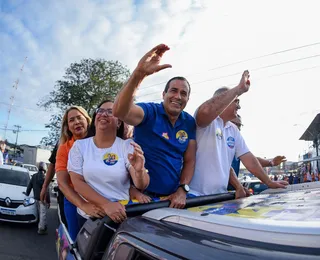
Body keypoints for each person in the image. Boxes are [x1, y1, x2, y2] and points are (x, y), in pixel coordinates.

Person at [113, 44, 196, 209]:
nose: (178, 96)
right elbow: (119, 111)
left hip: (172, 199)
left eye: (183, 93)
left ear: (188, 99)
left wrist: (182, 190)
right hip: (141, 198)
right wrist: (139, 74)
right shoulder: (150, 111)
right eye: (173, 91)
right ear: (163, 95)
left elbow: (189, 160)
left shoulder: (189, 122)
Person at [189, 73, 288, 197]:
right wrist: (238, 90)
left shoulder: (233, 129)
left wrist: (269, 182)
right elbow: (205, 111)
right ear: (224, 100)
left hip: (219, 196)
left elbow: (249, 159)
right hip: (195, 196)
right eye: (236, 101)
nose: (239, 106)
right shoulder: (206, 122)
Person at [68, 100, 150, 226]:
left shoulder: (127, 146)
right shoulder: (80, 146)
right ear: (95, 118)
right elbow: (77, 182)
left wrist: (139, 171)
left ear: (119, 122)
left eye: (111, 112)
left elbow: (141, 185)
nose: (104, 114)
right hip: (90, 218)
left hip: (121, 216)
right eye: (100, 111)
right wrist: (106, 204)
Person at [56, 106, 104, 241]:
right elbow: (62, 183)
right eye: (71, 120)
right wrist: (83, 205)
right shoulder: (64, 148)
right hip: (74, 200)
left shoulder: (102, 140)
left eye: (79, 117)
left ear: (87, 120)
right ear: (68, 127)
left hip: (103, 196)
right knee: (78, 242)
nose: (76, 122)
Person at [40, 143, 68, 228]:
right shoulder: (62, 142)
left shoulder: (92, 134)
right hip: (67, 195)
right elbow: (52, 165)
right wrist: (44, 187)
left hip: (90, 196)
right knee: (67, 228)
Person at [25, 162, 50, 235]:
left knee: (38, 212)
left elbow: (29, 186)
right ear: (45, 168)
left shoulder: (34, 176)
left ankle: (39, 225)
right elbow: (47, 191)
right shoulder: (45, 178)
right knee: (43, 214)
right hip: (43, 199)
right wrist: (48, 201)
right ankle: (41, 229)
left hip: (35, 198)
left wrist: (27, 193)